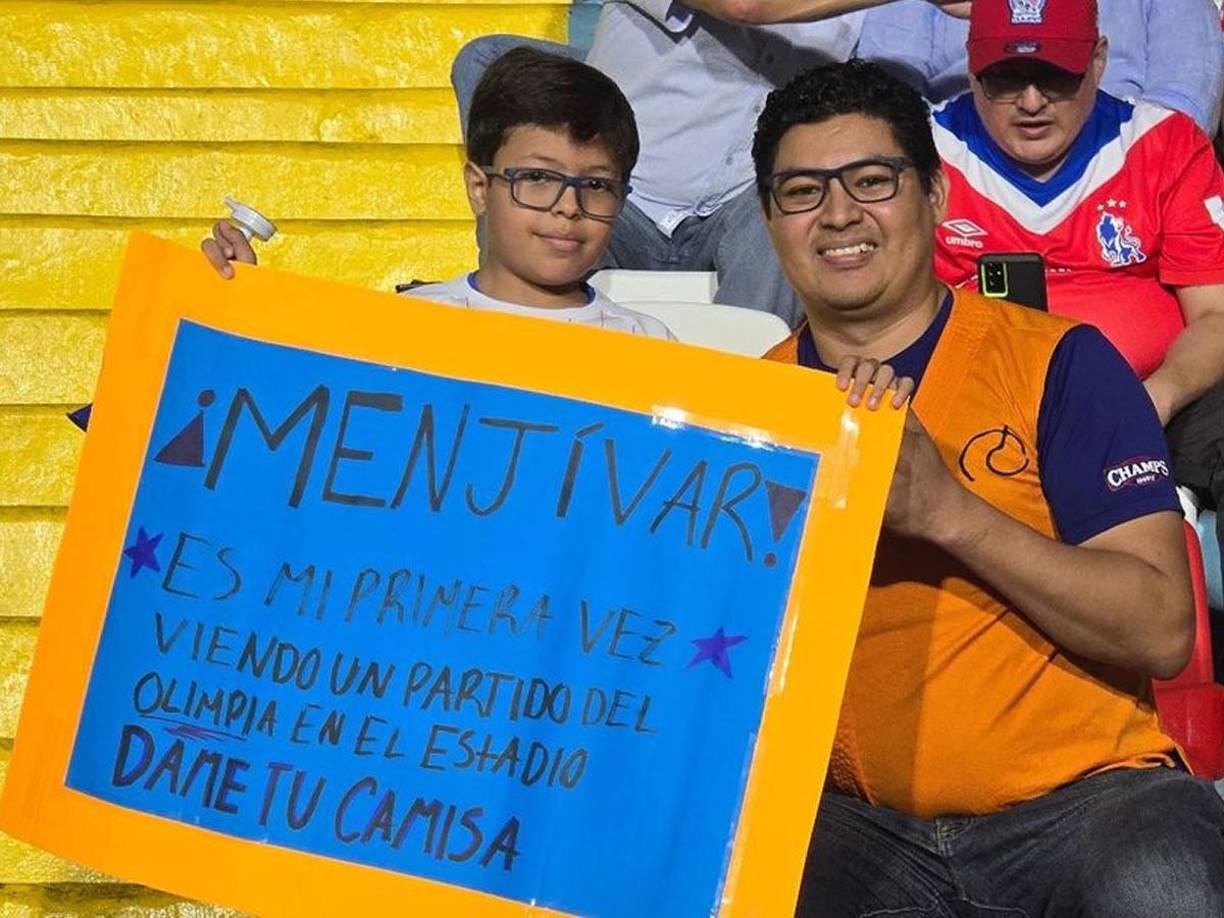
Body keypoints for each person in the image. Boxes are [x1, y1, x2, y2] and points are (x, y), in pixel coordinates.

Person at [752, 58, 1224, 914]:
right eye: (802, 191)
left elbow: (1161, 631)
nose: (838, 214)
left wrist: (952, 516)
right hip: (859, 826)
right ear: (768, 219)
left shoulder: (1061, 362)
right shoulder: (749, 408)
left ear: (935, 199)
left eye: (871, 180)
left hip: (1089, 803)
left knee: (1165, 881)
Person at [931, 0, 1224, 589]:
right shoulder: (923, 152)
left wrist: (1154, 398)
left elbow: (1216, 314)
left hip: (1163, 397)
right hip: (987, 411)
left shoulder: (1163, 143)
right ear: (971, 68)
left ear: (1097, 62)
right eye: (1006, 77)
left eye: (1056, 75)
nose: (1032, 101)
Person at [450, 1, 972, 329]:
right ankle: (507, 345)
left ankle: (738, 418)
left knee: (796, 205)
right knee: (497, 76)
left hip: (736, 203)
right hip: (621, 198)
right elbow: (744, 6)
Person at [203, 48, 673, 340]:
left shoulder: (647, 343)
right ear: (478, 187)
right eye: (538, 178)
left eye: (595, 185)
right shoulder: (402, 326)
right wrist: (242, 314)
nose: (568, 207)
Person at [859, 0, 1224, 134]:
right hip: (957, 159)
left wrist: (1099, 160)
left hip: (1120, 159)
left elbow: (1186, 98)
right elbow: (886, 98)